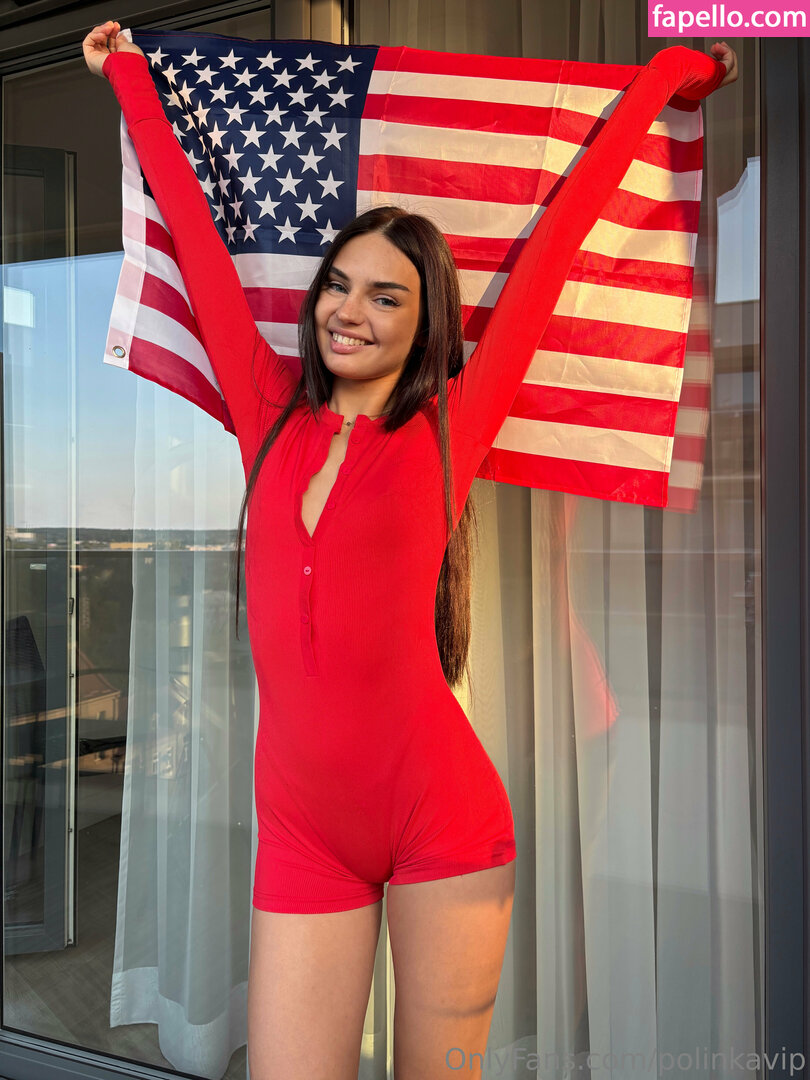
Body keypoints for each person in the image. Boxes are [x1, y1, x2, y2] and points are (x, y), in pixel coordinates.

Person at [84, 21, 738, 1080]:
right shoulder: (266, 411)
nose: (348, 311)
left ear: (427, 323)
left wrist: (670, 75)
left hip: (444, 823)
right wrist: (125, 75)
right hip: (303, 834)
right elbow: (197, 238)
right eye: (338, 285)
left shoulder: (447, 431)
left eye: (386, 295)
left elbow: (557, 245)